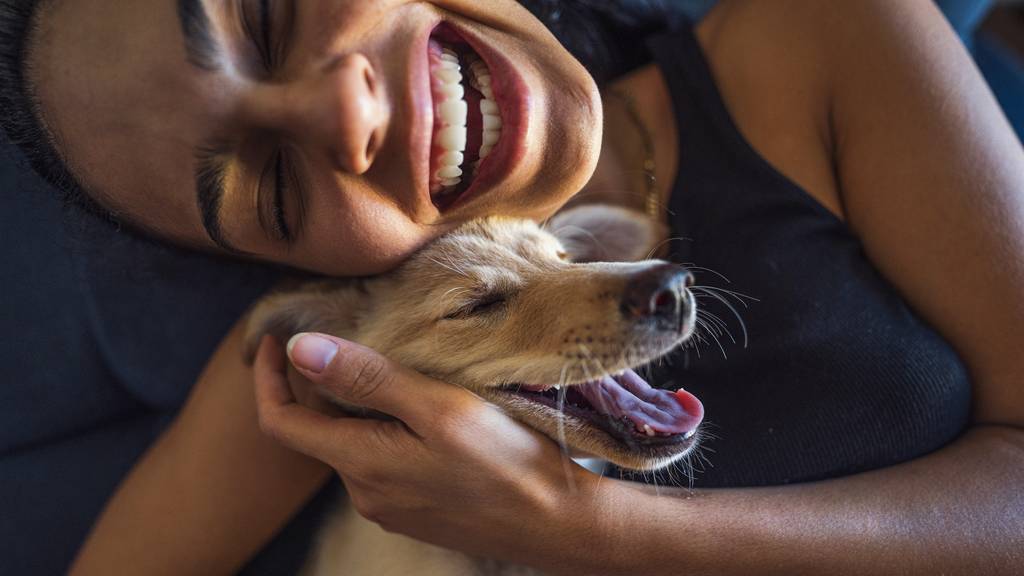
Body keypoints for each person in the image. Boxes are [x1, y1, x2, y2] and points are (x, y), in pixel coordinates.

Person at [1, 0, 1021, 574]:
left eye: (267, 17)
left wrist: (581, 527)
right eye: (270, 184)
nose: (345, 113)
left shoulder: (826, 39)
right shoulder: (344, 348)